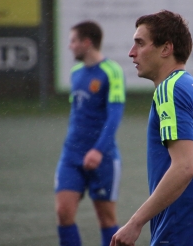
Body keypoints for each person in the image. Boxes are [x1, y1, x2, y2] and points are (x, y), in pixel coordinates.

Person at [111, 10, 193, 246]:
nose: (131, 52)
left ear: (166, 49)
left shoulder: (169, 90)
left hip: (181, 231)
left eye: (140, 43)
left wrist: (135, 223)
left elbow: (185, 167)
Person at [54, 21, 125, 246]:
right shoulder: (75, 73)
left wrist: (98, 150)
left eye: (73, 41)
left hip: (102, 156)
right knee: (63, 212)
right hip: (71, 155)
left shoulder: (111, 71)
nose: (70, 46)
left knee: (106, 218)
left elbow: (114, 115)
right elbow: (78, 113)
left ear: (87, 42)